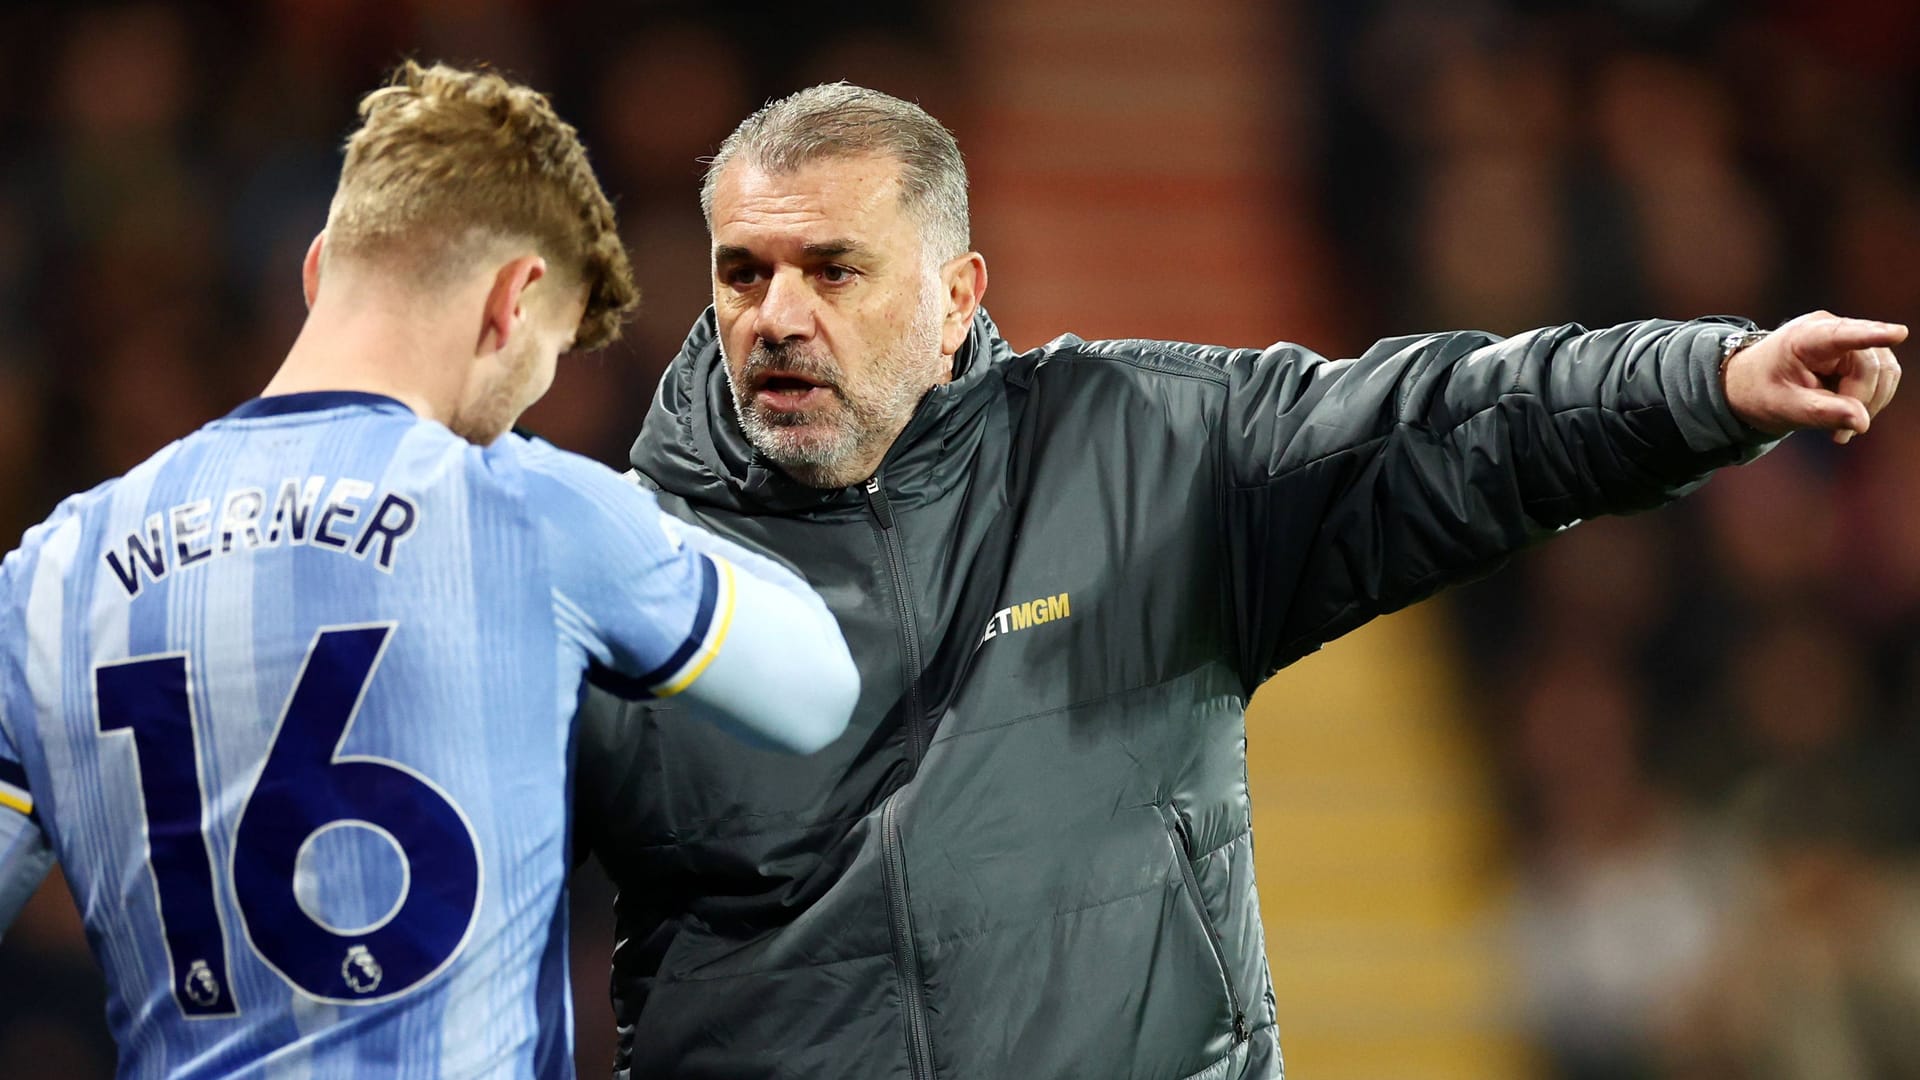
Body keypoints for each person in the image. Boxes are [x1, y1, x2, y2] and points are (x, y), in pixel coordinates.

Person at [572, 82, 1905, 1080]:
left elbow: (1456, 420)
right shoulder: (617, 560)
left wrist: (1708, 384)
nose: (777, 316)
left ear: (956, 293)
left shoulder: (1149, 450)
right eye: (744, 273)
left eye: (832, 270)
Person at [0, 62, 858, 1079]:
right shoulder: (525, 508)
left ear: (320, 270)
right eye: (545, 357)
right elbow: (817, 689)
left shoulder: (51, 570)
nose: (531, 398)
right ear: (512, 302)